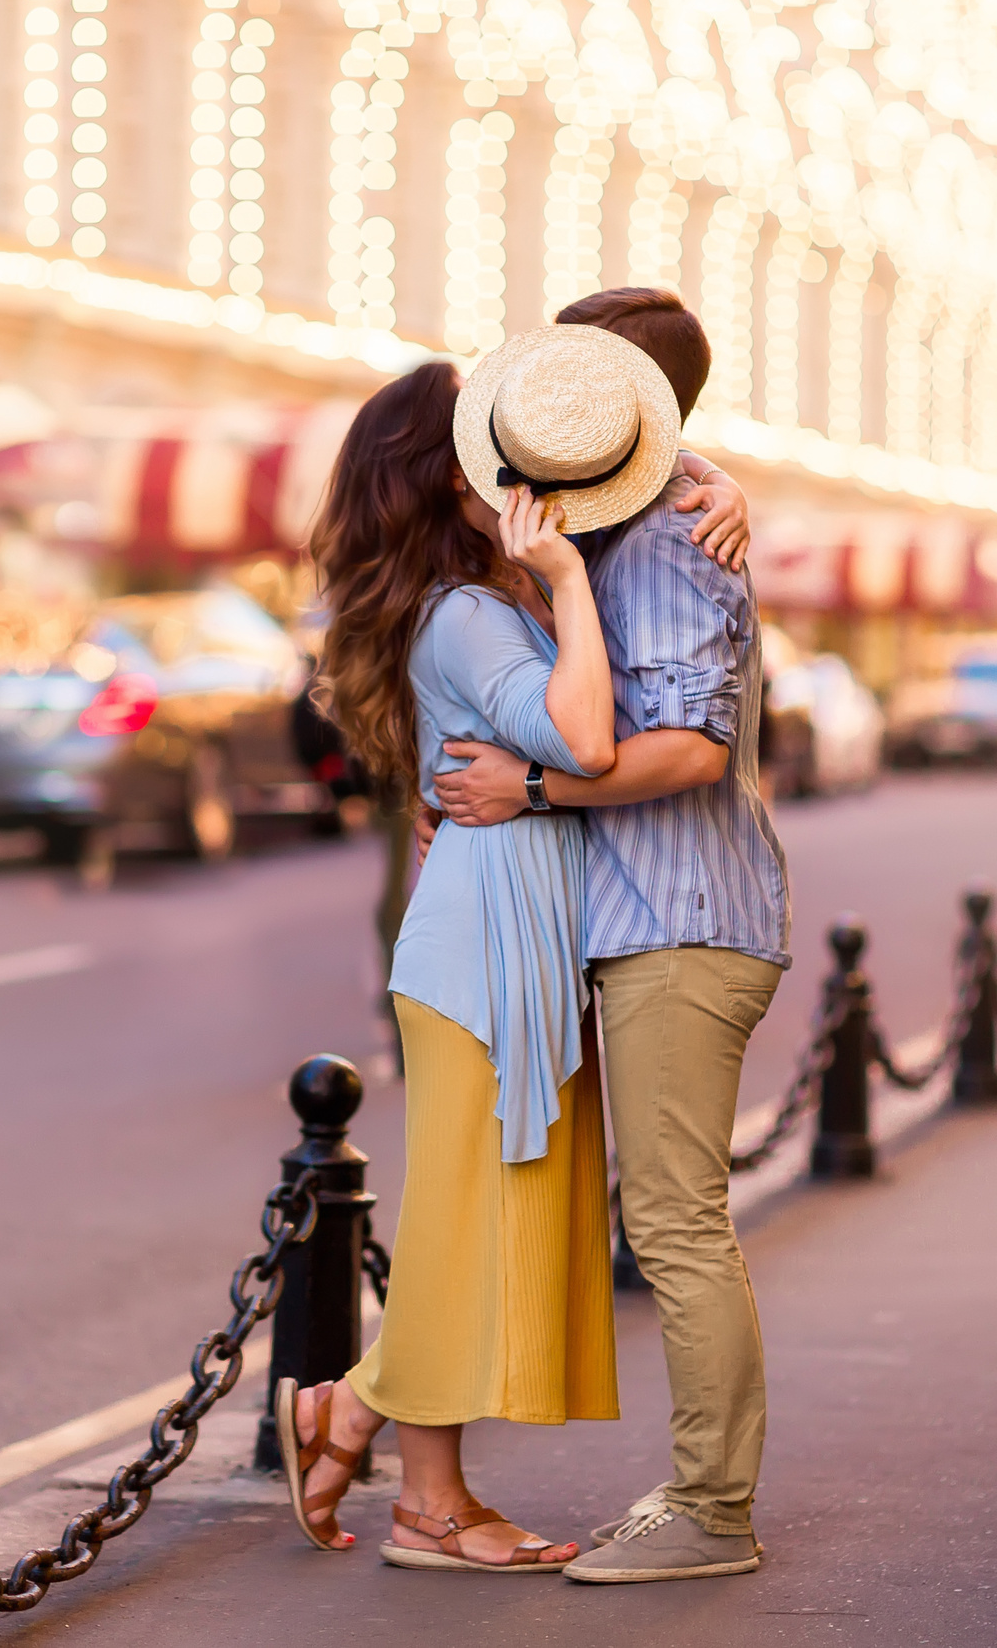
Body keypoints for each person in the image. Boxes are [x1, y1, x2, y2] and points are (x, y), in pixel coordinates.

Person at [277, 330, 687, 1573]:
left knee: (476, 1220)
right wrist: (565, 581)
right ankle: (393, 1464)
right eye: (484, 453)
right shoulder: (467, 611)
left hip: (495, 934)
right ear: (447, 481)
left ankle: (405, 1471)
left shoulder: (465, 602)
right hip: (477, 951)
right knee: (464, 1223)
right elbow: (587, 744)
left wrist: (691, 495)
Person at [431, 285, 790, 1585]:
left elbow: (692, 748)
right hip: (635, 923)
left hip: (684, 923)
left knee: (678, 1220)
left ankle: (711, 1506)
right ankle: (374, 1410)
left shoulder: (679, 540)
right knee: (623, 1207)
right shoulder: (624, 516)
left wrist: (532, 790)